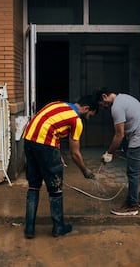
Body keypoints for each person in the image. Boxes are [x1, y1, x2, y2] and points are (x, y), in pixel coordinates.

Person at [22, 95, 98, 239]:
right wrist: (85, 171)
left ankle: (29, 229)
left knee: (33, 186)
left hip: (29, 140)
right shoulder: (76, 120)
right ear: (87, 108)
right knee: (55, 188)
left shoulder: (58, 104)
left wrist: (56, 153)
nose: (88, 118)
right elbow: (75, 153)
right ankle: (58, 227)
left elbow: (51, 128)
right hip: (45, 145)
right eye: (89, 115)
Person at [94, 87, 140, 216]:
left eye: (101, 104)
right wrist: (119, 150)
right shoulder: (125, 97)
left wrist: (109, 153)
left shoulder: (116, 107)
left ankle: (132, 205)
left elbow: (119, 135)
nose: (102, 107)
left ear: (104, 96)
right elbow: (131, 124)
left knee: (133, 173)